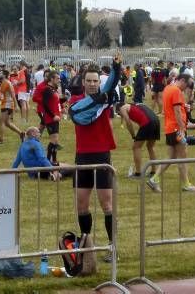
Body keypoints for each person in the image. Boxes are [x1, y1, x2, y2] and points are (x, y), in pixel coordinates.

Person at [68, 55, 122, 263]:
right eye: (89, 81)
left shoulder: (106, 97)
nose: (92, 84)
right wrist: (98, 101)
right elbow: (78, 116)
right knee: (82, 205)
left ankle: (112, 246)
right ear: (83, 82)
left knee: (106, 205)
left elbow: (112, 82)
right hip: (82, 156)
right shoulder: (76, 102)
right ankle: (86, 245)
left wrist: (116, 67)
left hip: (102, 155)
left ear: (99, 82)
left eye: (95, 81)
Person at [147, 74, 195, 193]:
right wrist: (182, 129)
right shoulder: (176, 91)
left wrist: (184, 107)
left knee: (171, 157)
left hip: (169, 128)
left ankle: (154, 179)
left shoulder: (168, 88)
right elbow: (176, 111)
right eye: (188, 84)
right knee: (183, 157)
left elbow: (173, 107)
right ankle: (186, 184)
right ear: (182, 80)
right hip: (177, 129)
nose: (188, 87)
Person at [118, 103, 160, 179]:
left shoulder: (123, 108)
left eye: (119, 114)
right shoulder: (136, 105)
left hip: (147, 122)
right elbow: (141, 117)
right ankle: (153, 172)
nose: (121, 115)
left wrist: (133, 136)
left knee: (136, 147)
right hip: (156, 120)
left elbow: (128, 122)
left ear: (119, 109)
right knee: (150, 147)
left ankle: (138, 173)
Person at [39, 71, 64, 163]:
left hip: (56, 117)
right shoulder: (47, 90)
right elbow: (45, 104)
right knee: (54, 140)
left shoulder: (54, 89)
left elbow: (55, 102)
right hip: (50, 118)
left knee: (55, 141)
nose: (59, 80)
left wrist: (62, 104)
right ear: (51, 79)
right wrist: (53, 116)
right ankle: (48, 161)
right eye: (57, 78)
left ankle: (54, 160)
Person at [0, 70, 23, 145]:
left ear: (4, 75)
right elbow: (1, 95)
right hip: (6, 104)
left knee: (1, 122)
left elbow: (13, 95)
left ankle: (0, 140)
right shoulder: (4, 82)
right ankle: (21, 133)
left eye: (1, 73)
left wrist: (16, 106)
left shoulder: (7, 83)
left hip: (8, 104)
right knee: (7, 123)